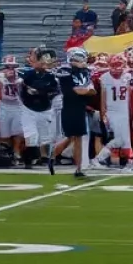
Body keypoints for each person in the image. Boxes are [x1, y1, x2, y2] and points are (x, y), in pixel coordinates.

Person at [50, 48, 96, 178]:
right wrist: (85, 91)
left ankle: (78, 169)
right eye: (78, 58)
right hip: (69, 106)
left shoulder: (85, 72)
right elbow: (77, 91)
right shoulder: (64, 70)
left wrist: (85, 91)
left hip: (80, 107)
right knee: (71, 138)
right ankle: (52, 156)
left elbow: (92, 91)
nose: (81, 60)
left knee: (78, 139)